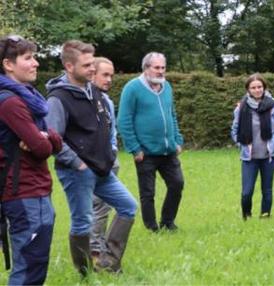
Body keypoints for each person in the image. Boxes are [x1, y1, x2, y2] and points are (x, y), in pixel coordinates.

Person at [46, 40, 138, 275]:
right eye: (86, 65)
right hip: (77, 172)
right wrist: (78, 163)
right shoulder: (58, 98)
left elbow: (104, 126)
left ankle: (109, 263)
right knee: (82, 223)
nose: (92, 69)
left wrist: (109, 154)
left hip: (102, 169)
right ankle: (86, 274)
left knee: (128, 206)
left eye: (92, 64)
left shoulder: (93, 91)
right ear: (69, 66)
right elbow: (53, 138)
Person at [0, 34, 62, 285]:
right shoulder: (11, 103)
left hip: (31, 191)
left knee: (33, 264)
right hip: (24, 191)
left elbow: (51, 140)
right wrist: (45, 139)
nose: (36, 63)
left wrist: (46, 136)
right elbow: (42, 148)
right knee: (29, 268)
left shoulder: (28, 99)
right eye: (28, 58)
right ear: (8, 64)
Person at [118, 52, 184, 232]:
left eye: (163, 68)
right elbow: (124, 120)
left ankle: (168, 222)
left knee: (177, 184)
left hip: (168, 150)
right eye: (156, 68)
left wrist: (177, 139)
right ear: (146, 68)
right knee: (148, 193)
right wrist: (134, 148)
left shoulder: (167, 87)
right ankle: (151, 227)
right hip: (145, 152)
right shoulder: (132, 88)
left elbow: (172, 115)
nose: (161, 71)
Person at [230, 73, 274, 220]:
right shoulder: (241, 108)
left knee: (267, 190)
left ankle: (265, 216)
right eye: (253, 87)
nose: (257, 90)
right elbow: (234, 131)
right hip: (249, 158)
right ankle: (247, 215)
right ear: (248, 90)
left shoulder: (273, 105)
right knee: (246, 192)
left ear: (264, 87)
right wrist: (241, 144)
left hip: (269, 156)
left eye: (259, 87)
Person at [89, 57, 119, 264]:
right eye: (105, 75)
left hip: (109, 159)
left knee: (105, 205)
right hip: (92, 162)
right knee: (96, 206)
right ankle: (94, 249)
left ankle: (98, 245)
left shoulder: (107, 100)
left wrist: (114, 151)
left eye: (111, 75)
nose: (109, 79)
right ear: (92, 74)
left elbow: (112, 130)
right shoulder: (86, 101)